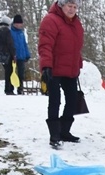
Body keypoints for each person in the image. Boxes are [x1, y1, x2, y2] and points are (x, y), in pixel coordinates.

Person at [39, 0, 84, 147]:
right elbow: (45, 45)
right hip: (54, 68)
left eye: (74, 7)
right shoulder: (51, 20)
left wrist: (78, 64)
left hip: (70, 69)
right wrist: (46, 66)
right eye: (69, 6)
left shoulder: (76, 23)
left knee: (72, 100)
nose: (72, 9)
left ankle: (65, 131)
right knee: (55, 100)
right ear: (61, 5)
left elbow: (76, 48)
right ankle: (54, 134)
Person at [10, 14, 32, 95]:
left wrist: (27, 54)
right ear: (15, 24)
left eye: (21, 24)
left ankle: (20, 89)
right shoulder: (11, 32)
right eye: (19, 24)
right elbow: (10, 44)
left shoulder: (21, 33)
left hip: (21, 56)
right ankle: (10, 89)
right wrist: (11, 54)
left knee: (21, 74)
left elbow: (24, 44)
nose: (20, 25)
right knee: (12, 73)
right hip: (13, 56)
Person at [0, 16, 16, 95]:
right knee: (10, 72)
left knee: (7, 72)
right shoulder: (7, 31)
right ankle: (9, 89)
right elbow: (10, 43)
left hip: (1, 54)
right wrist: (13, 53)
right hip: (8, 54)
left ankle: (7, 88)